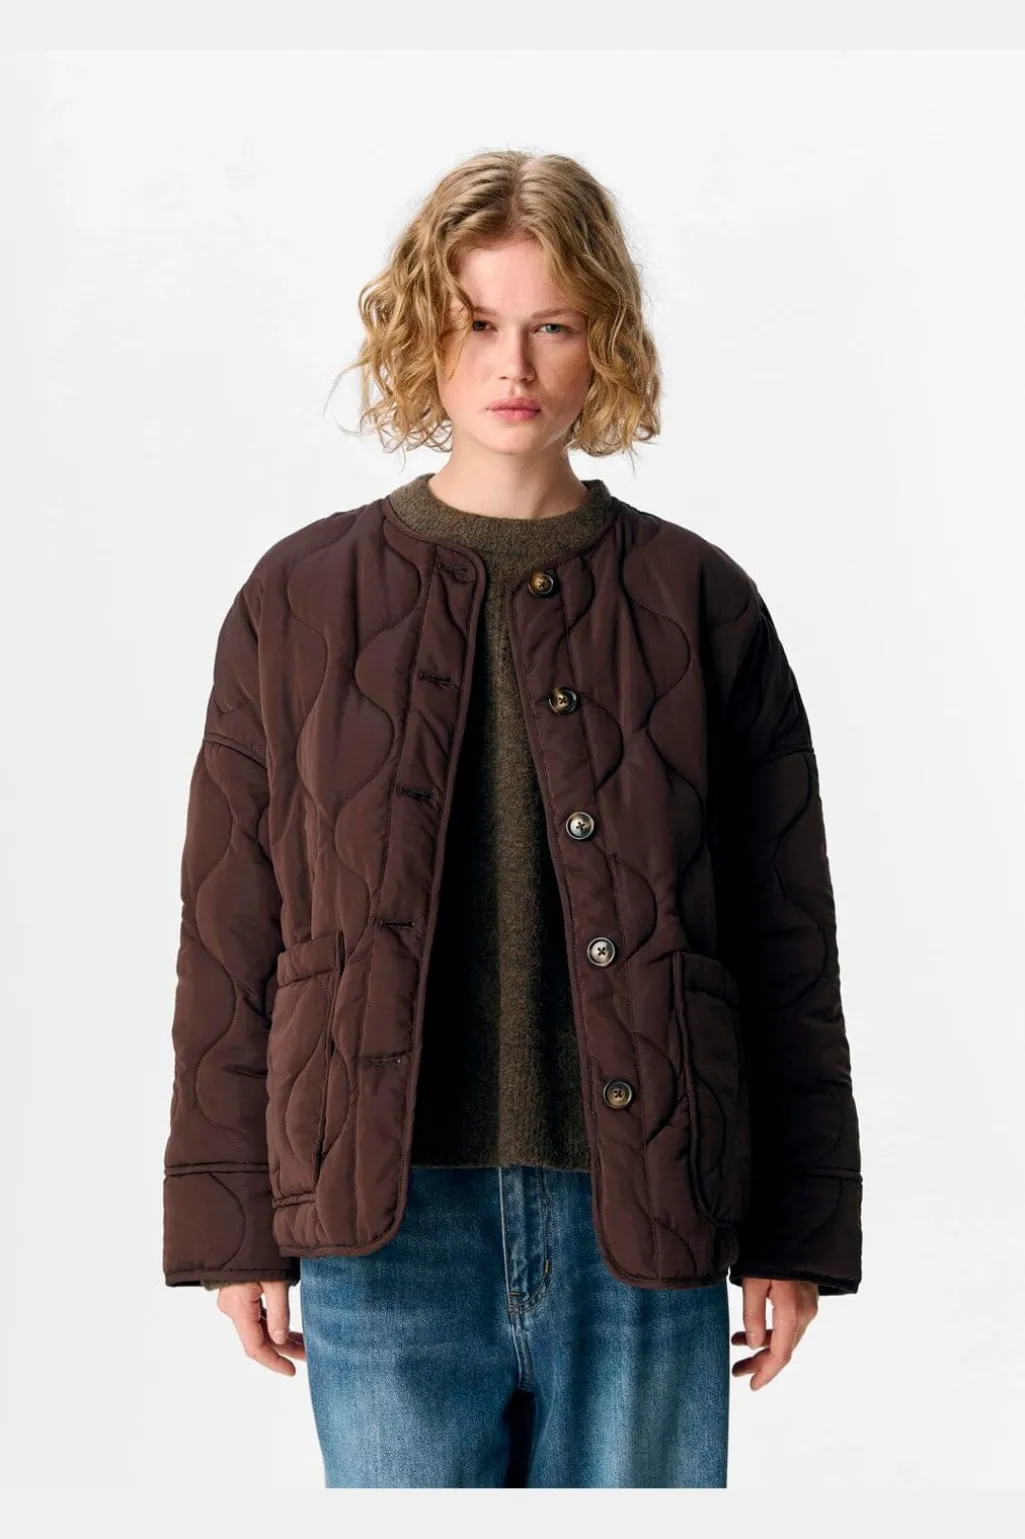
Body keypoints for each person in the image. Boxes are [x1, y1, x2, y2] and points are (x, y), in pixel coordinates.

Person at [162, 149, 862, 1488]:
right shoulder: (298, 599)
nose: (514, 365)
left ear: (606, 340)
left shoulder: (699, 601)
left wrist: (797, 1225)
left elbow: (788, 939)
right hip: (385, 1222)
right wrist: (231, 1224)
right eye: (476, 323)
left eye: (554, 324)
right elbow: (230, 929)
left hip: (645, 1211)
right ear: (419, 335)